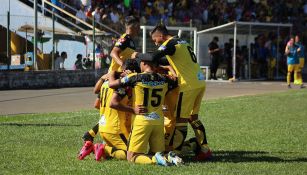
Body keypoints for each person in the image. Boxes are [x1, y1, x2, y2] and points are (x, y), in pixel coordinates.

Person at [134, 24, 211, 161]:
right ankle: (204, 149)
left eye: (155, 39)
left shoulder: (170, 43)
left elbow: (153, 57)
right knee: (193, 118)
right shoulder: (181, 41)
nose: (155, 42)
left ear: (161, 36)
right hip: (199, 81)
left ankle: (175, 152)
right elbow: (167, 59)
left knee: (181, 120)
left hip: (188, 85)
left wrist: (137, 55)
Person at [108, 54, 182, 166]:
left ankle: (155, 160)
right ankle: (168, 157)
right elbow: (177, 80)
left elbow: (111, 84)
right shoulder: (164, 79)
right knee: (156, 152)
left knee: (131, 157)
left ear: (144, 63)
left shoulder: (135, 77)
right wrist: (168, 68)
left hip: (142, 121)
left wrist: (114, 73)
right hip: (158, 121)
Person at [78, 59, 140, 161]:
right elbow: (113, 103)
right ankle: (101, 148)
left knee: (121, 151)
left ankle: (95, 147)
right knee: (132, 155)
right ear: (133, 71)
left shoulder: (107, 82)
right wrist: (132, 109)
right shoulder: (124, 83)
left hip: (103, 128)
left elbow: (97, 104)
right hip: (115, 129)